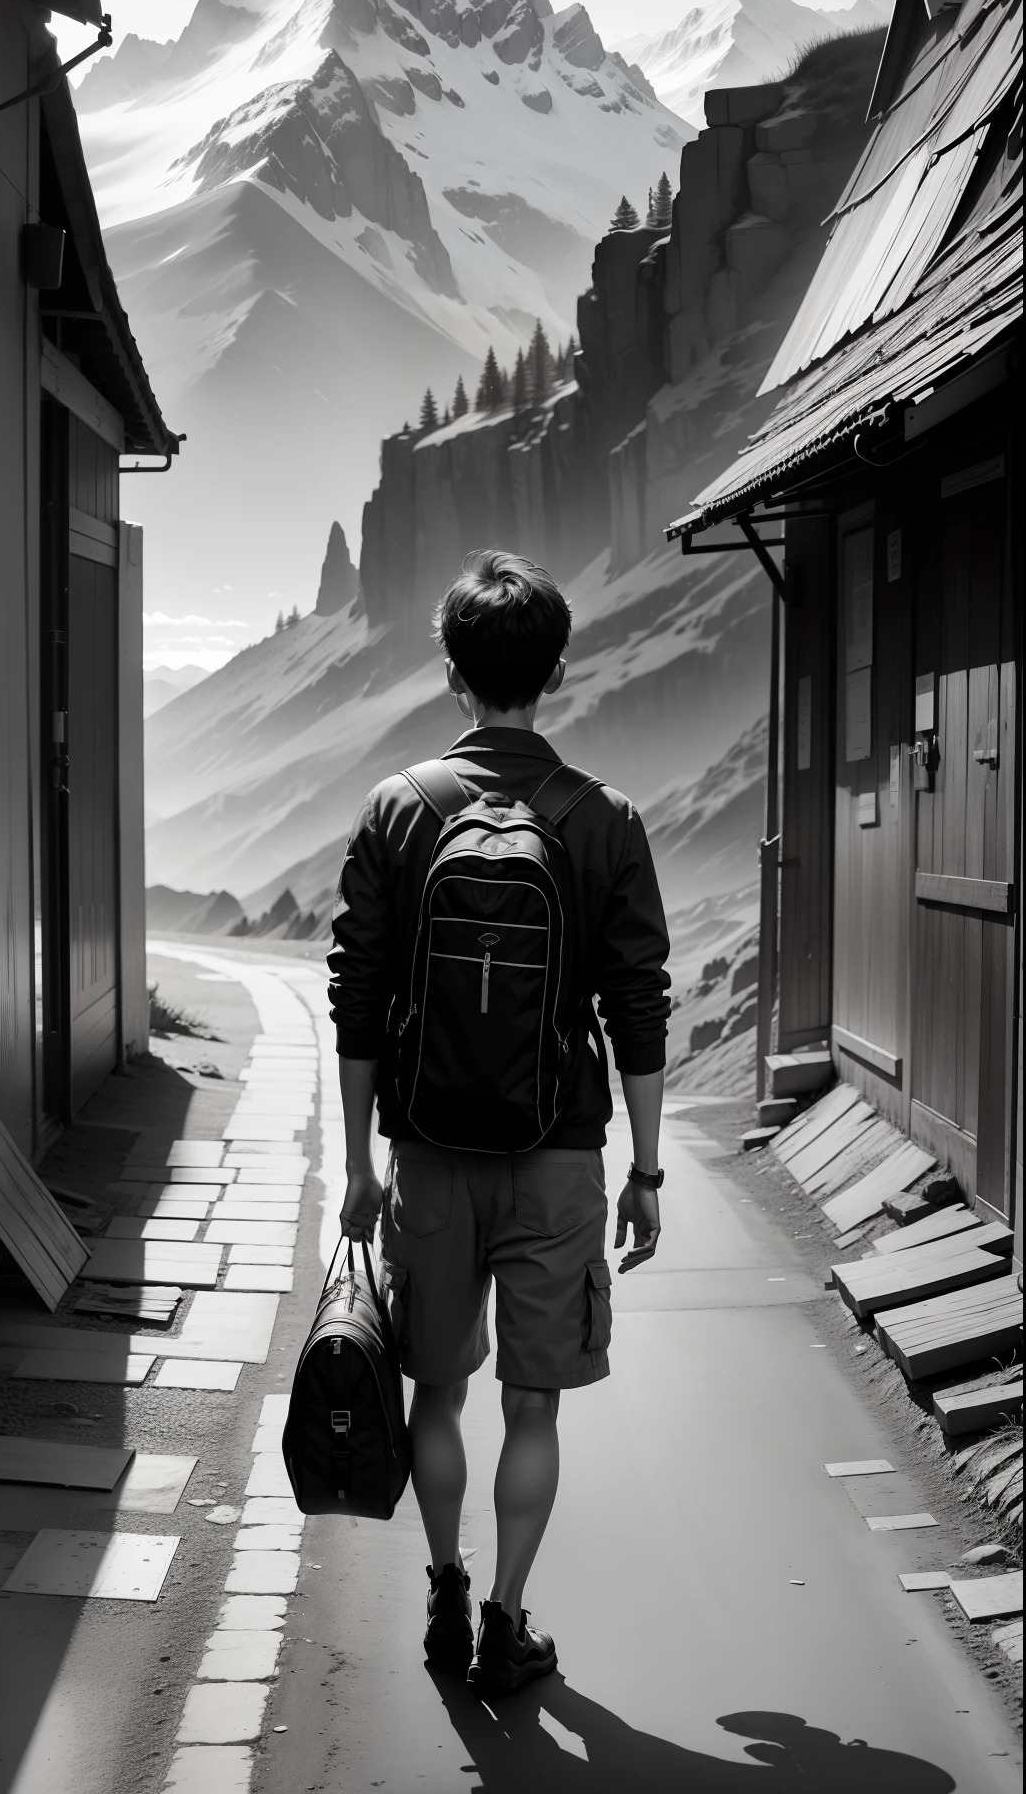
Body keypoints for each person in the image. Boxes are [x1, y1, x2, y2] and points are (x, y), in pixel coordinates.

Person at [327, 549, 670, 1696]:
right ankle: (506, 1618)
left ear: (450, 673)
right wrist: (647, 1169)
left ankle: (441, 1582)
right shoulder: (604, 819)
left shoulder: (397, 808)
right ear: (558, 670)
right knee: (533, 1401)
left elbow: (357, 993)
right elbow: (637, 1003)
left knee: (436, 1386)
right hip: (558, 1151)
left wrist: (358, 1166)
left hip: (426, 1148)